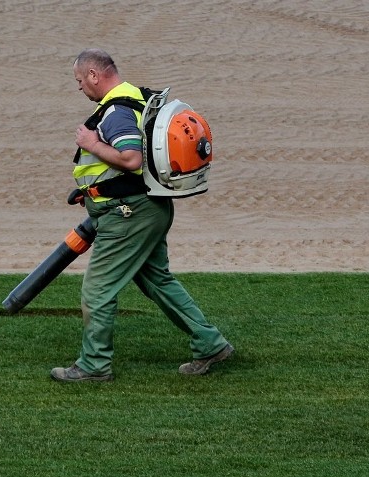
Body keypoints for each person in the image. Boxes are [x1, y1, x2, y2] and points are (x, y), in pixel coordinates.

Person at [50, 48, 233, 382]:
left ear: (94, 75)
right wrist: (93, 189)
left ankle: (93, 366)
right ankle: (210, 343)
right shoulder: (138, 97)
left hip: (129, 215)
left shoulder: (116, 111)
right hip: (147, 207)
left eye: (79, 80)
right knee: (156, 280)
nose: (79, 88)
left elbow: (131, 159)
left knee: (98, 290)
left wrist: (91, 144)